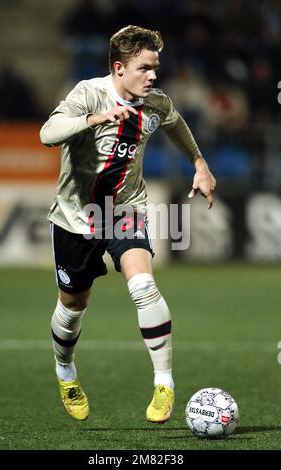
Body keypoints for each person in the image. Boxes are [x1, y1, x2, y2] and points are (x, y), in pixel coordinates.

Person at [40, 25, 216, 423]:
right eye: (145, 68)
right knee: (72, 307)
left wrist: (199, 164)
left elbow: (175, 123)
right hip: (75, 217)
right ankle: (65, 371)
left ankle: (165, 383)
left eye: (155, 67)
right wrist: (96, 118)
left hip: (123, 211)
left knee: (143, 285)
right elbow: (47, 133)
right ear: (119, 68)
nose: (153, 75)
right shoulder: (88, 92)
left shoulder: (154, 102)